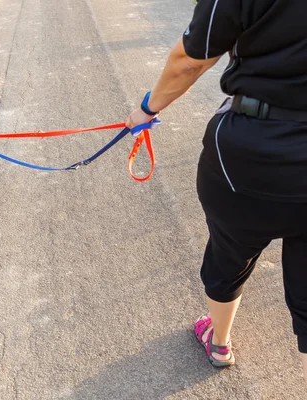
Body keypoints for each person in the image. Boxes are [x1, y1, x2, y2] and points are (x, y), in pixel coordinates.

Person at [125, 0, 307, 382]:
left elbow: (191, 60)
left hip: (249, 157)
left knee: (229, 255)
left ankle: (220, 342)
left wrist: (148, 108)